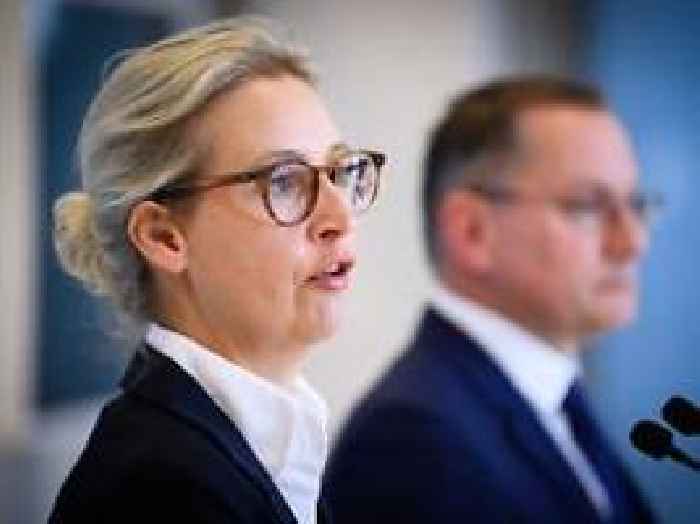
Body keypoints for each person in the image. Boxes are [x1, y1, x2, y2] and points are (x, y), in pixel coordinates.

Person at [48, 18, 385, 524]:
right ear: (164, 237)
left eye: (340, 172)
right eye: (284, 181)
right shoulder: (156, 492)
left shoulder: (264, 450)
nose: (339, 218)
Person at [324, 77, 659, 523]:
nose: (632, 243)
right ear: (472, 232)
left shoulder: (557, 402)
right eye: (587, 206)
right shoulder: (414, 439)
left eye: (636, 205)